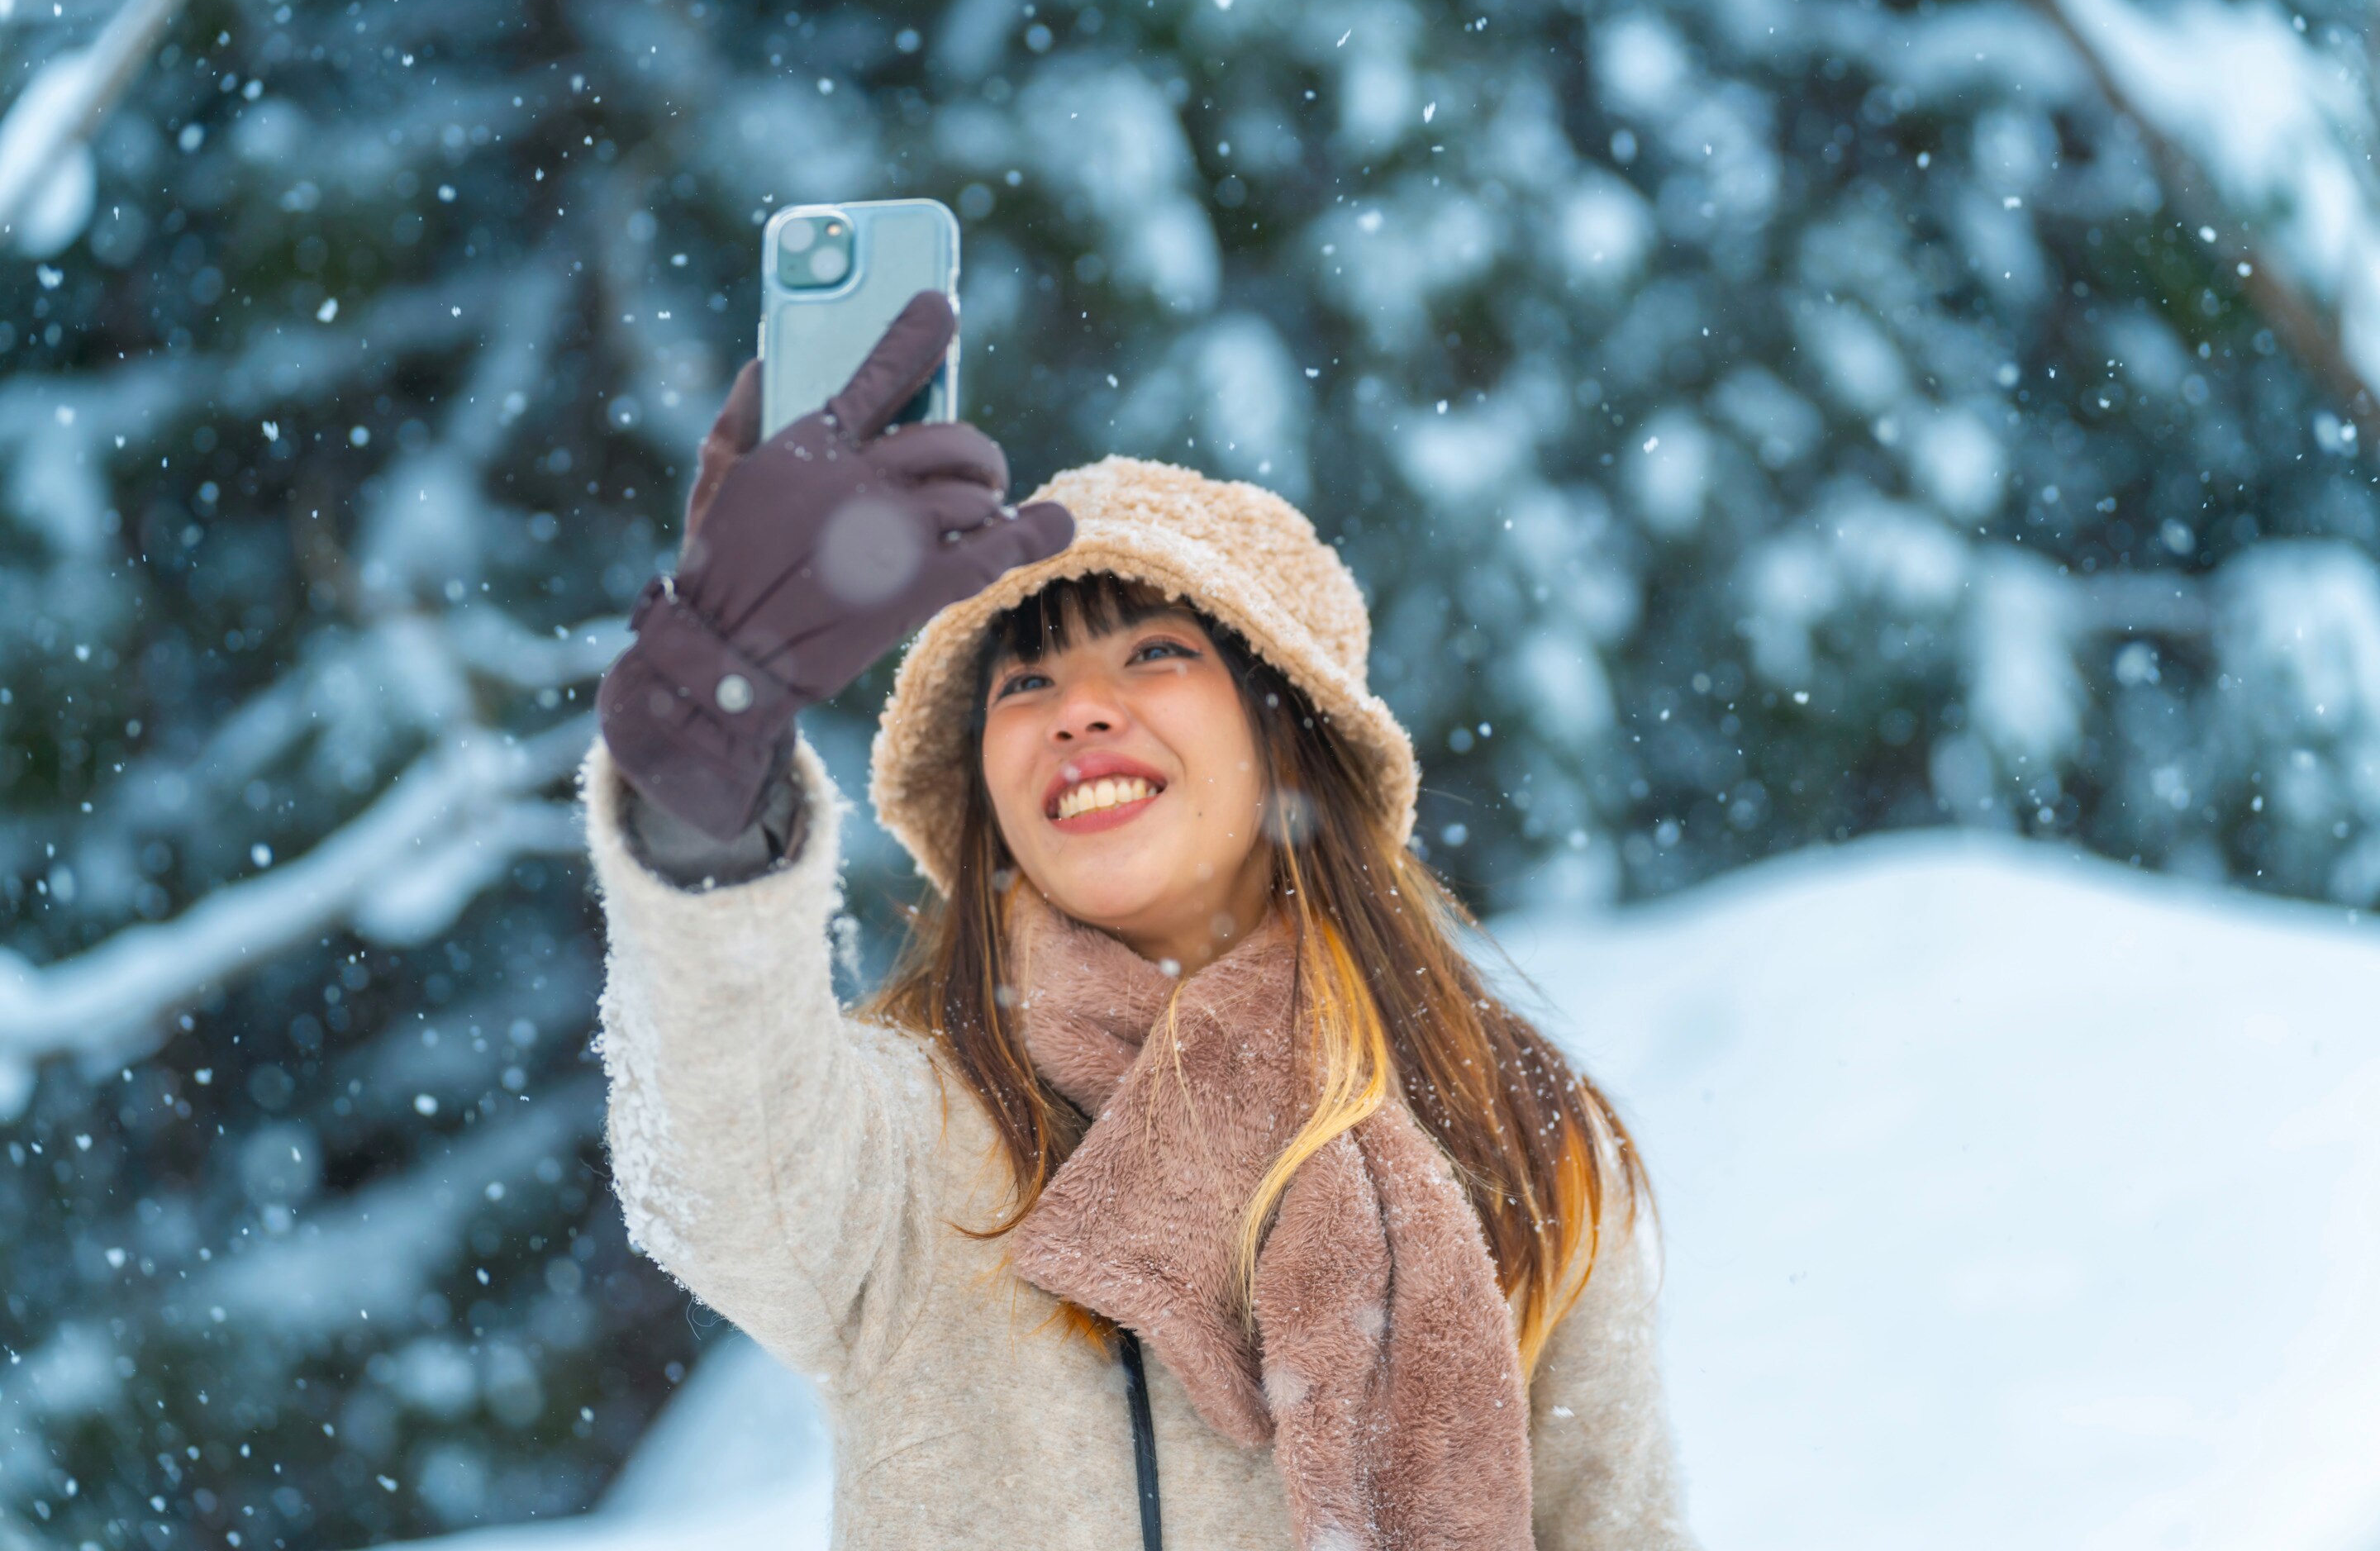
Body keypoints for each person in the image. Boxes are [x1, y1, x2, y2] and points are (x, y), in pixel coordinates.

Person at [579, 292, 1696, 1550]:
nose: (1079, 710)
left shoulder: (1507, 1125)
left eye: (1156, 653)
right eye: (1027, 679)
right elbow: (720, 1176)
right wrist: (708, 763)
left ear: (1287, 733)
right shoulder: (921, 1138)